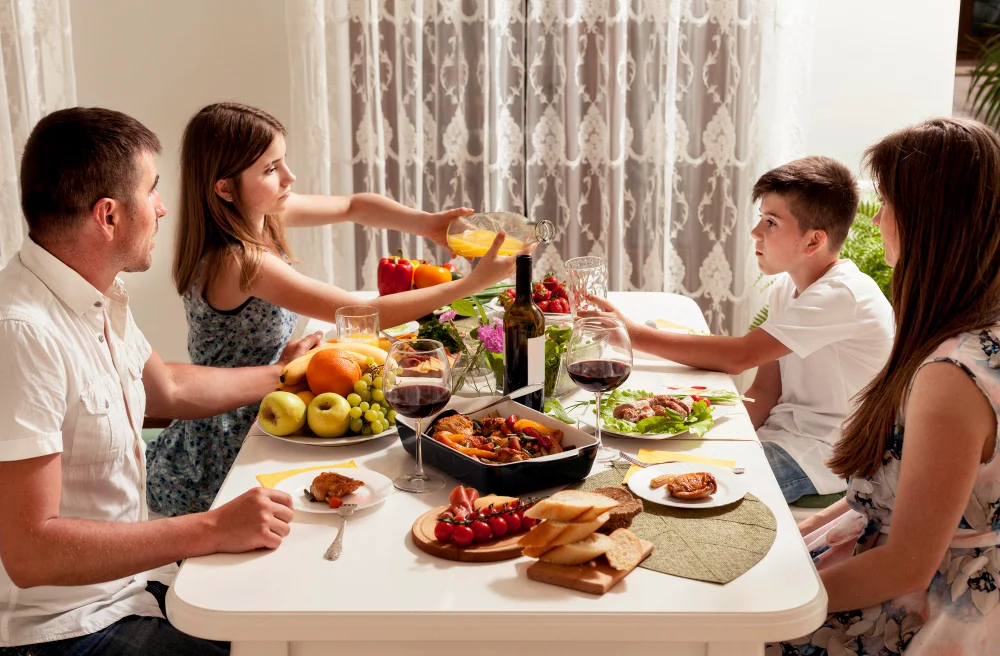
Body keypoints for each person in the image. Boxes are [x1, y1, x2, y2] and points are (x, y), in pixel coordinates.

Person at [0, 107, 323, 654]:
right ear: (108, 216)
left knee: (302, 612)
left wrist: (284, 375)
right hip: (65, 629)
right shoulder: (22, 333)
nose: (163, 207)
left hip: (131, 591)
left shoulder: (92, 295)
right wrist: (212, 528)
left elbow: (168, 389)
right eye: (151, 191)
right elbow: (32, 552)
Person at [146, 102, 522, 516]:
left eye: (282, 161)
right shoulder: (240, 261)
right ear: (224, 188)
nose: (289, 177)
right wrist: (469, 285)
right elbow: (363, 314)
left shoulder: (262, 212)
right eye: (270, 169)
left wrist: (425, 222)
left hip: (279, 403)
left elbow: (353, 206)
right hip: (234, 434)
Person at [770, 117, 1000, 654]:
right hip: (876, 560)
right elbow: (878, 500)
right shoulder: (962, 333)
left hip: (920, 610)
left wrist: (770, 605)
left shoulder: (951, 376)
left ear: (928, 222)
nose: (878, 222)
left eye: (887, 204)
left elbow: (907, 563)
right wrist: (791, 542)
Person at [583, 156, 894, 503]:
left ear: (813, 242)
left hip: (823, 456)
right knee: (643, 469)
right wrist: (720, 439)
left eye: (772, 222)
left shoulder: (843, 294)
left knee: (657, 493)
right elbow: (765, 390)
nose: (756, 231)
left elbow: (740, 356)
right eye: (761, 217)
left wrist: (631, 333)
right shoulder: (785, 291)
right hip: (782, 438)